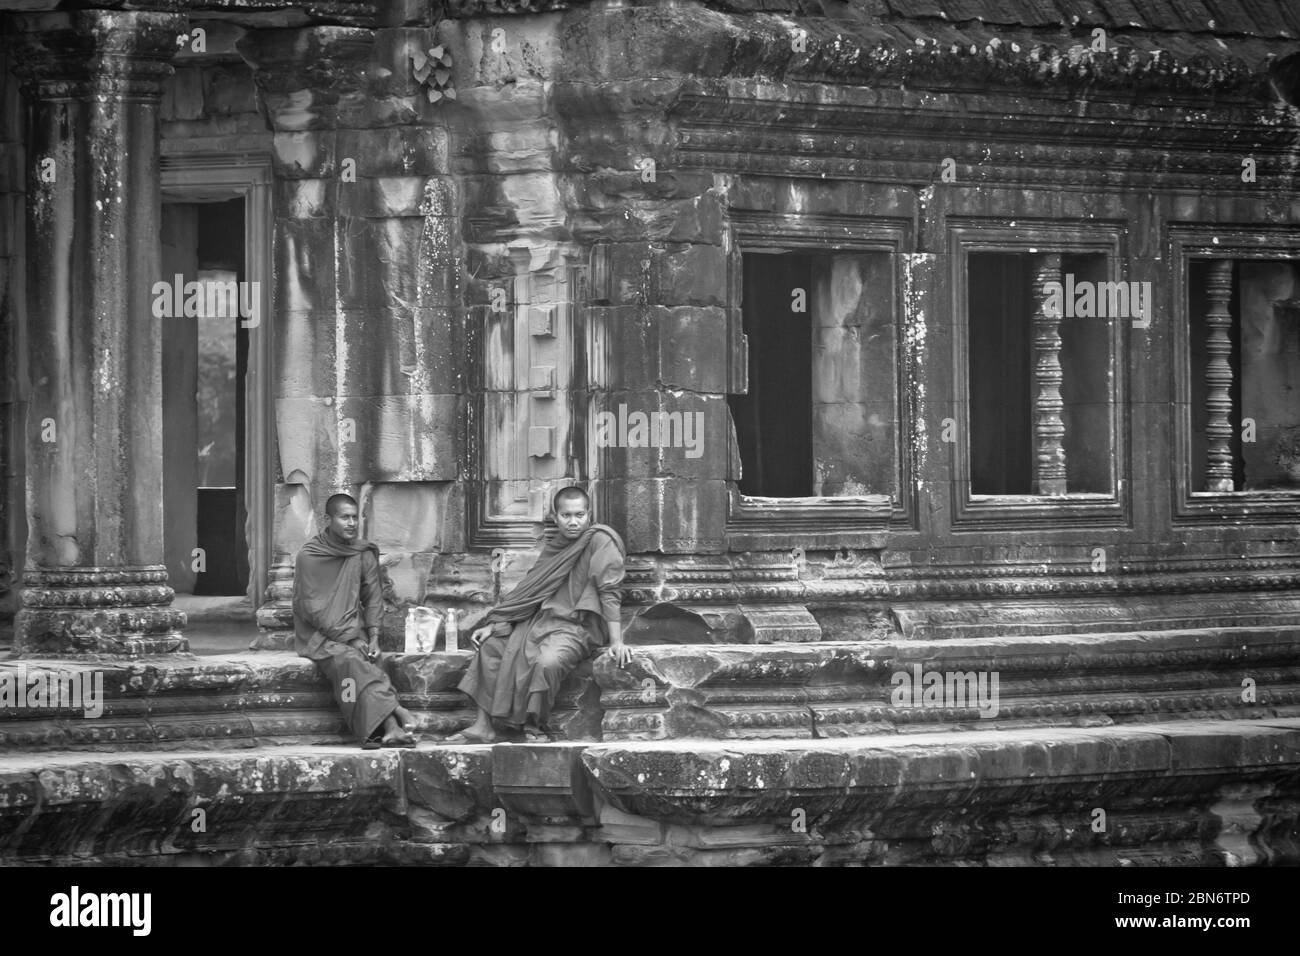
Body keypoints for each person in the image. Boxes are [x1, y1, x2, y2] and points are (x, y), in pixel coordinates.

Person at [447, 486, 630, 743]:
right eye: (566, 515)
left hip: (576, 626)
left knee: (547, 662)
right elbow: (532, 588)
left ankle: (534, 725)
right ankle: (483, 725)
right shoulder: (556, 546)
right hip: (539, 621)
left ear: (589, 514)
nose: (573, 521)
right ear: (555, 517)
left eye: (579, 514)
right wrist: (499, 622)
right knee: (491, 646)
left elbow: (609, 590)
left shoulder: (600, 540)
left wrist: (616, 641)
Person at [292, 493, 417, 748]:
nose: (351, 523)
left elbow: (373, 597)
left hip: (353, 631)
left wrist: (373, 638)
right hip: (319, 635)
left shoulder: (363, 552)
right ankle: (397, 714)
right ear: (328, 519)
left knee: (371, 659)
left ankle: (391, 728)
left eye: (354, 517)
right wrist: (350, 637)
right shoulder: (310, 555)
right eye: (344, 517)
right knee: (349, 661)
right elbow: (311, 607)